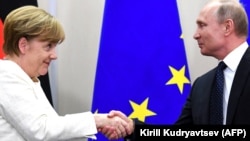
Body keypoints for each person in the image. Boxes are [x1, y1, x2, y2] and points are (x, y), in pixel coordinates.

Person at [103, 0, 250, 139]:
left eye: (202, 25)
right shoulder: (202, 85)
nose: (195, 35)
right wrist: (133, 128)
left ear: (227, 27)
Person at [0, 5, 133, 141]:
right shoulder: (5, 76)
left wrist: (103, 124)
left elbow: (54, 133)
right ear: (23, 45)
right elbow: (41, 131)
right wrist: (96, 120)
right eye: (48, 46)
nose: (54, 55)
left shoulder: (26, 78)